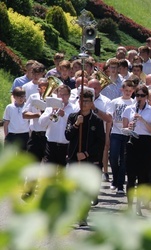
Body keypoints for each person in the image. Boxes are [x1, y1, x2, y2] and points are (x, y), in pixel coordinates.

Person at [65, 89, 105, 226]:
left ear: (92, 103)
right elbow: (68, 135)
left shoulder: (97, 121)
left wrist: (87, 154)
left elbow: (101, 142)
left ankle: (83, 215)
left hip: (89, 160)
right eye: (82, 100)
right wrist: (76, 124)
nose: (84, 104)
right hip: (74, 158)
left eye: (87, 101)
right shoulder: (72, 117)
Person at [122, 85, 151, 214]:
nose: (139, 98)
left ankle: (139, 206)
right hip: (132, 142)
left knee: (143, 176)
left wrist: (142, 120)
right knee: (131, 176)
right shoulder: (128, 109)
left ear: (146, 97)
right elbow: (124, 128)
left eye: (142, 95)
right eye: (137, 95)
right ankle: (130, 206)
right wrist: (129, 127)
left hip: (145, 143)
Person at [105, 80, 136, 194]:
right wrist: (108, 135)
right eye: (126, 90)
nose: (128, 93)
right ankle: (115, 179)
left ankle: (120, 185)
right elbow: (109, 119)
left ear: (133, 91)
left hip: (127, 134)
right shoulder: (115, 102)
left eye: (130, 91)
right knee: (113, 157)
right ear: (121, 90)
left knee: (123, 160)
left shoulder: (134, 103)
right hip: (116, 133)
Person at [39, 85, 79, 168]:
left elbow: (75, 124)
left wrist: (64, 115)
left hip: (66, 146)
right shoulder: (50, 107)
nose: (62, 97)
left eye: (64, 94)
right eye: (60, 94)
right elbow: (41, 123)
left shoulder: (74, 108)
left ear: (69, 95)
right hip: (51, 144)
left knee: (63, 173)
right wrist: (51, 114)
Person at [87, 78, 113, 181]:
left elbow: (108, 119)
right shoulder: (78, 99)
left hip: (99, 134)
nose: (94, 90)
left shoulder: (107, 101)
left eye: (96, 88)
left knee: (97, 161)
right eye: (91, 88)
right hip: (85, 133)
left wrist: (94, 109)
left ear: (100, 88)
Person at [22, 78, 49, 161]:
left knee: (48, 164)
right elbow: (24, 114)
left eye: (45, 87)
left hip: (49, 136)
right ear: (38, 88)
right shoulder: (33, 97)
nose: (43, 89)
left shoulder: (54, 98)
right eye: (41, 87)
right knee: (32, 163)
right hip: (36, 136)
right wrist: (37, 115)